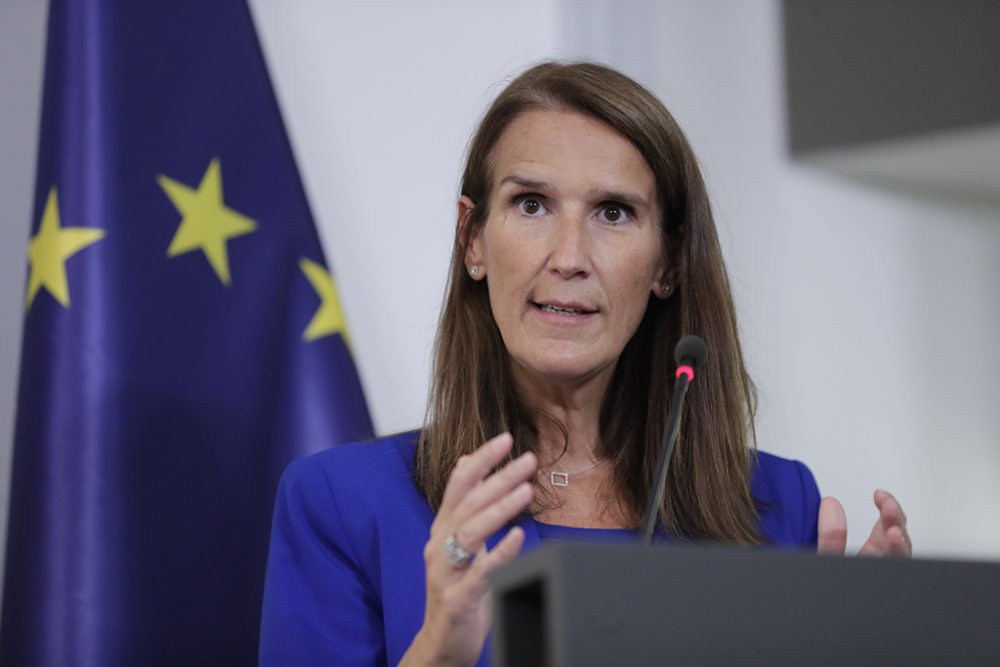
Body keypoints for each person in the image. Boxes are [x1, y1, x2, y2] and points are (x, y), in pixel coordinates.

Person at [258, 61, 911, 667]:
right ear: (473, 240)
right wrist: (439, 650)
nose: (569, 255)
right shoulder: (343, 503)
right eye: (532, 204)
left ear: (668, 262)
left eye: (613, 212)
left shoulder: (777, 506)